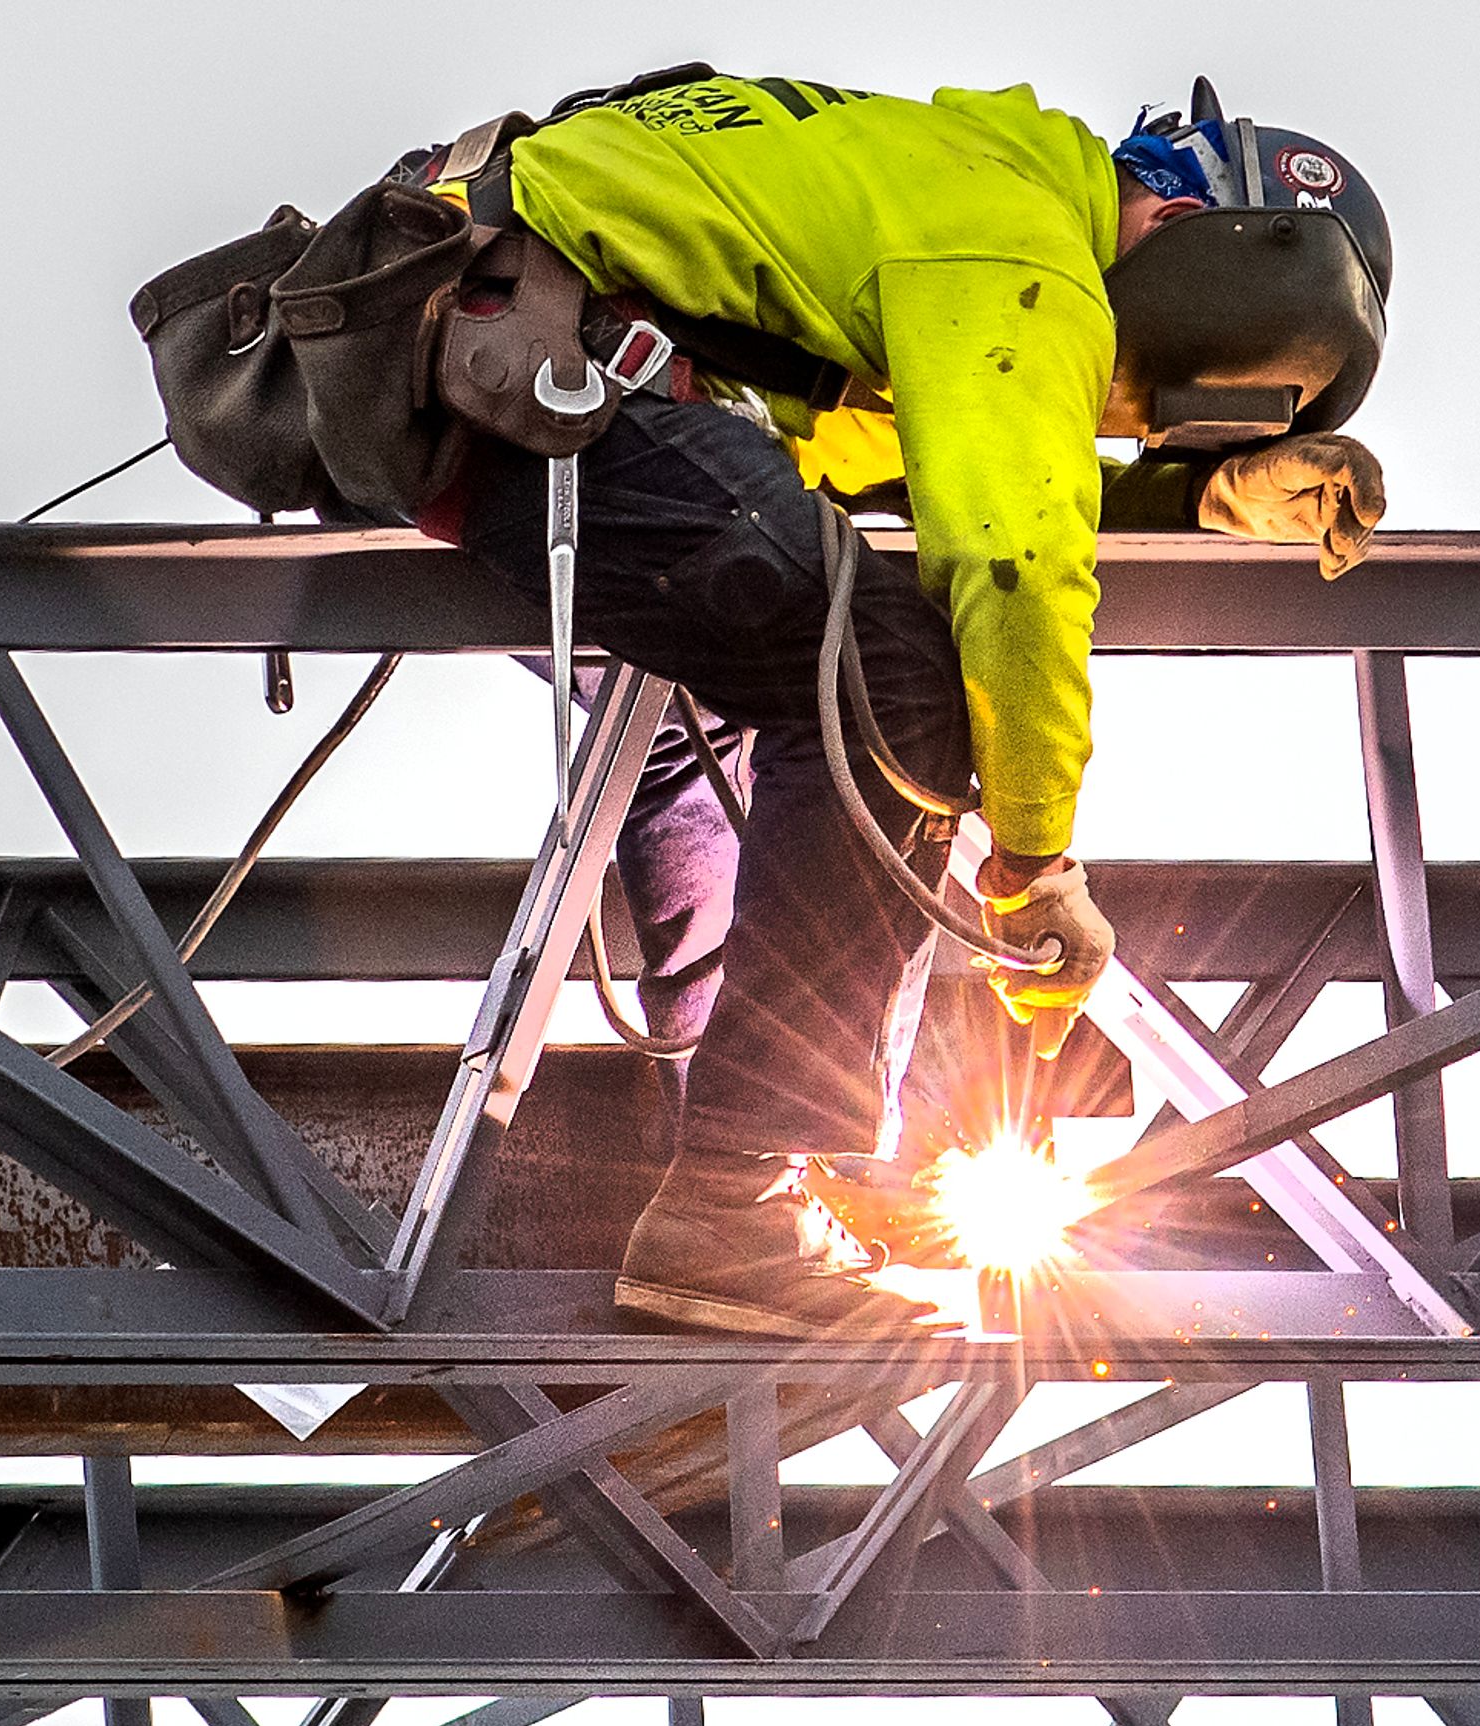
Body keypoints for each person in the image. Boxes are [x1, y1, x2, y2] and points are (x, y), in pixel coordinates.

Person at [399, 70, 1392, 1333]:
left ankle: (757, 1159)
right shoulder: (1020, 237)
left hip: (477, 348)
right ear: (1207, 244)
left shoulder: (951, 186)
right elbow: (1012, 562)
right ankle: (735, 1193)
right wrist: (1032, 866)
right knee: (899, 684)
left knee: (751, 707)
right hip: (542, 367)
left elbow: (904, 472)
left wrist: (1189, 501)